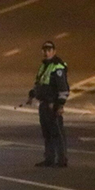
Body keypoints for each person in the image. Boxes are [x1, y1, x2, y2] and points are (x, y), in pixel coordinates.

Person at [26, 40, 69, 168]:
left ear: (54, 51)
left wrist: (60, 105)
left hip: (52, 105)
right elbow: (41, 82)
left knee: (57, 133)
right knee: (47, 133)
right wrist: (33, 94)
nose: (46, 52)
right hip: (44, 104)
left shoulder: (58, 67)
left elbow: (63, 88)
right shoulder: (44, 65)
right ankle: (49, 158)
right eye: (44, 50)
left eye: (49, 50)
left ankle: (62, 159)